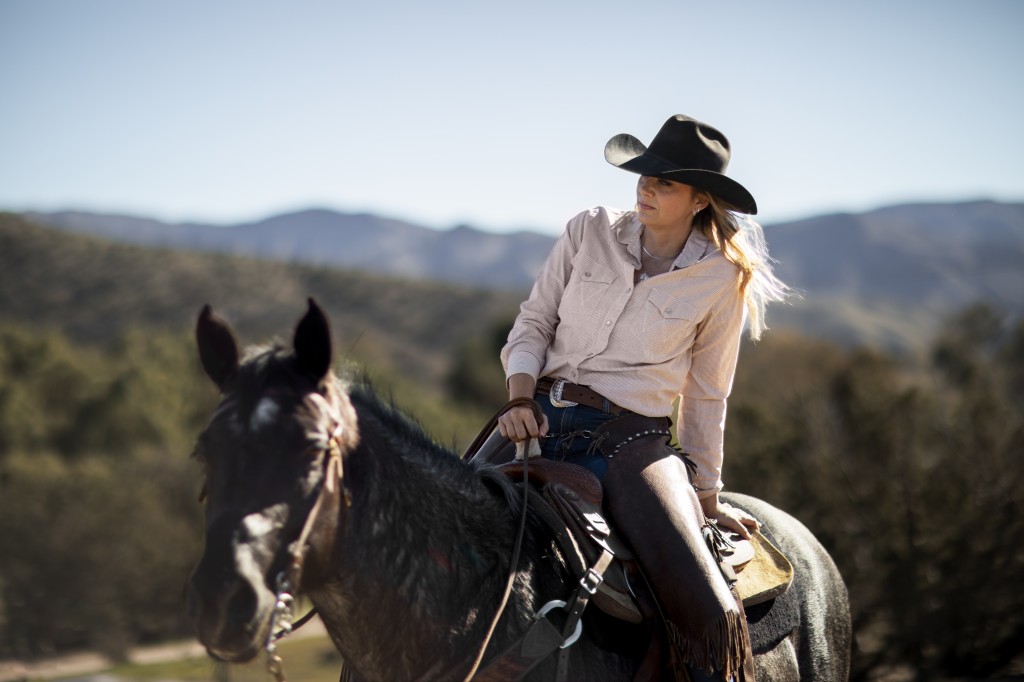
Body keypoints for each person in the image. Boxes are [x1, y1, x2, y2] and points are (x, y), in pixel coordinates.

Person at [496, 115, 788, 681]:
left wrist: (705, 496)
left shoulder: (721, 277)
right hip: (535, 418)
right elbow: (533, 323)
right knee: (423, 524)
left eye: (666, 183)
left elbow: (707, 395)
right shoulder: (589, 230)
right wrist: (518, 399)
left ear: (701, 200)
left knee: (709, 610)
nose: (646, 189)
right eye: (644, 176)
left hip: (630, 444)